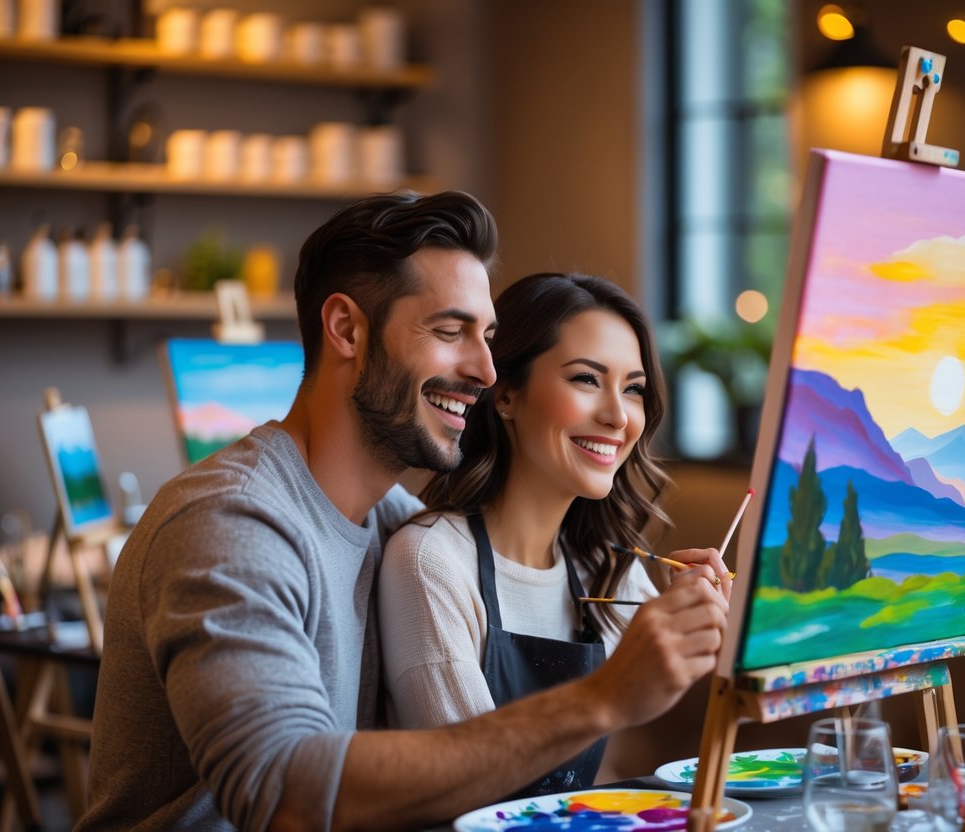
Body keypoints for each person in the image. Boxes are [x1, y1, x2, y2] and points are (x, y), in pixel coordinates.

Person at [78, 191, 728, 832]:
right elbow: (283, 794)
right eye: (450, 332)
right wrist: (601, 697)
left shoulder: (392, 517)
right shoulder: (230, 522)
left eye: (488, 337)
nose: (483, 369)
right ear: (346, 329)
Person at [379, 272, 731, 796]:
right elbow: (461, 783)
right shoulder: (430, 561)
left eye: (633, 389)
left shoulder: (607, 568)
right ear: (506, 397)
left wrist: (705, 634)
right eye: (586, 379)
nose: (618, 416)